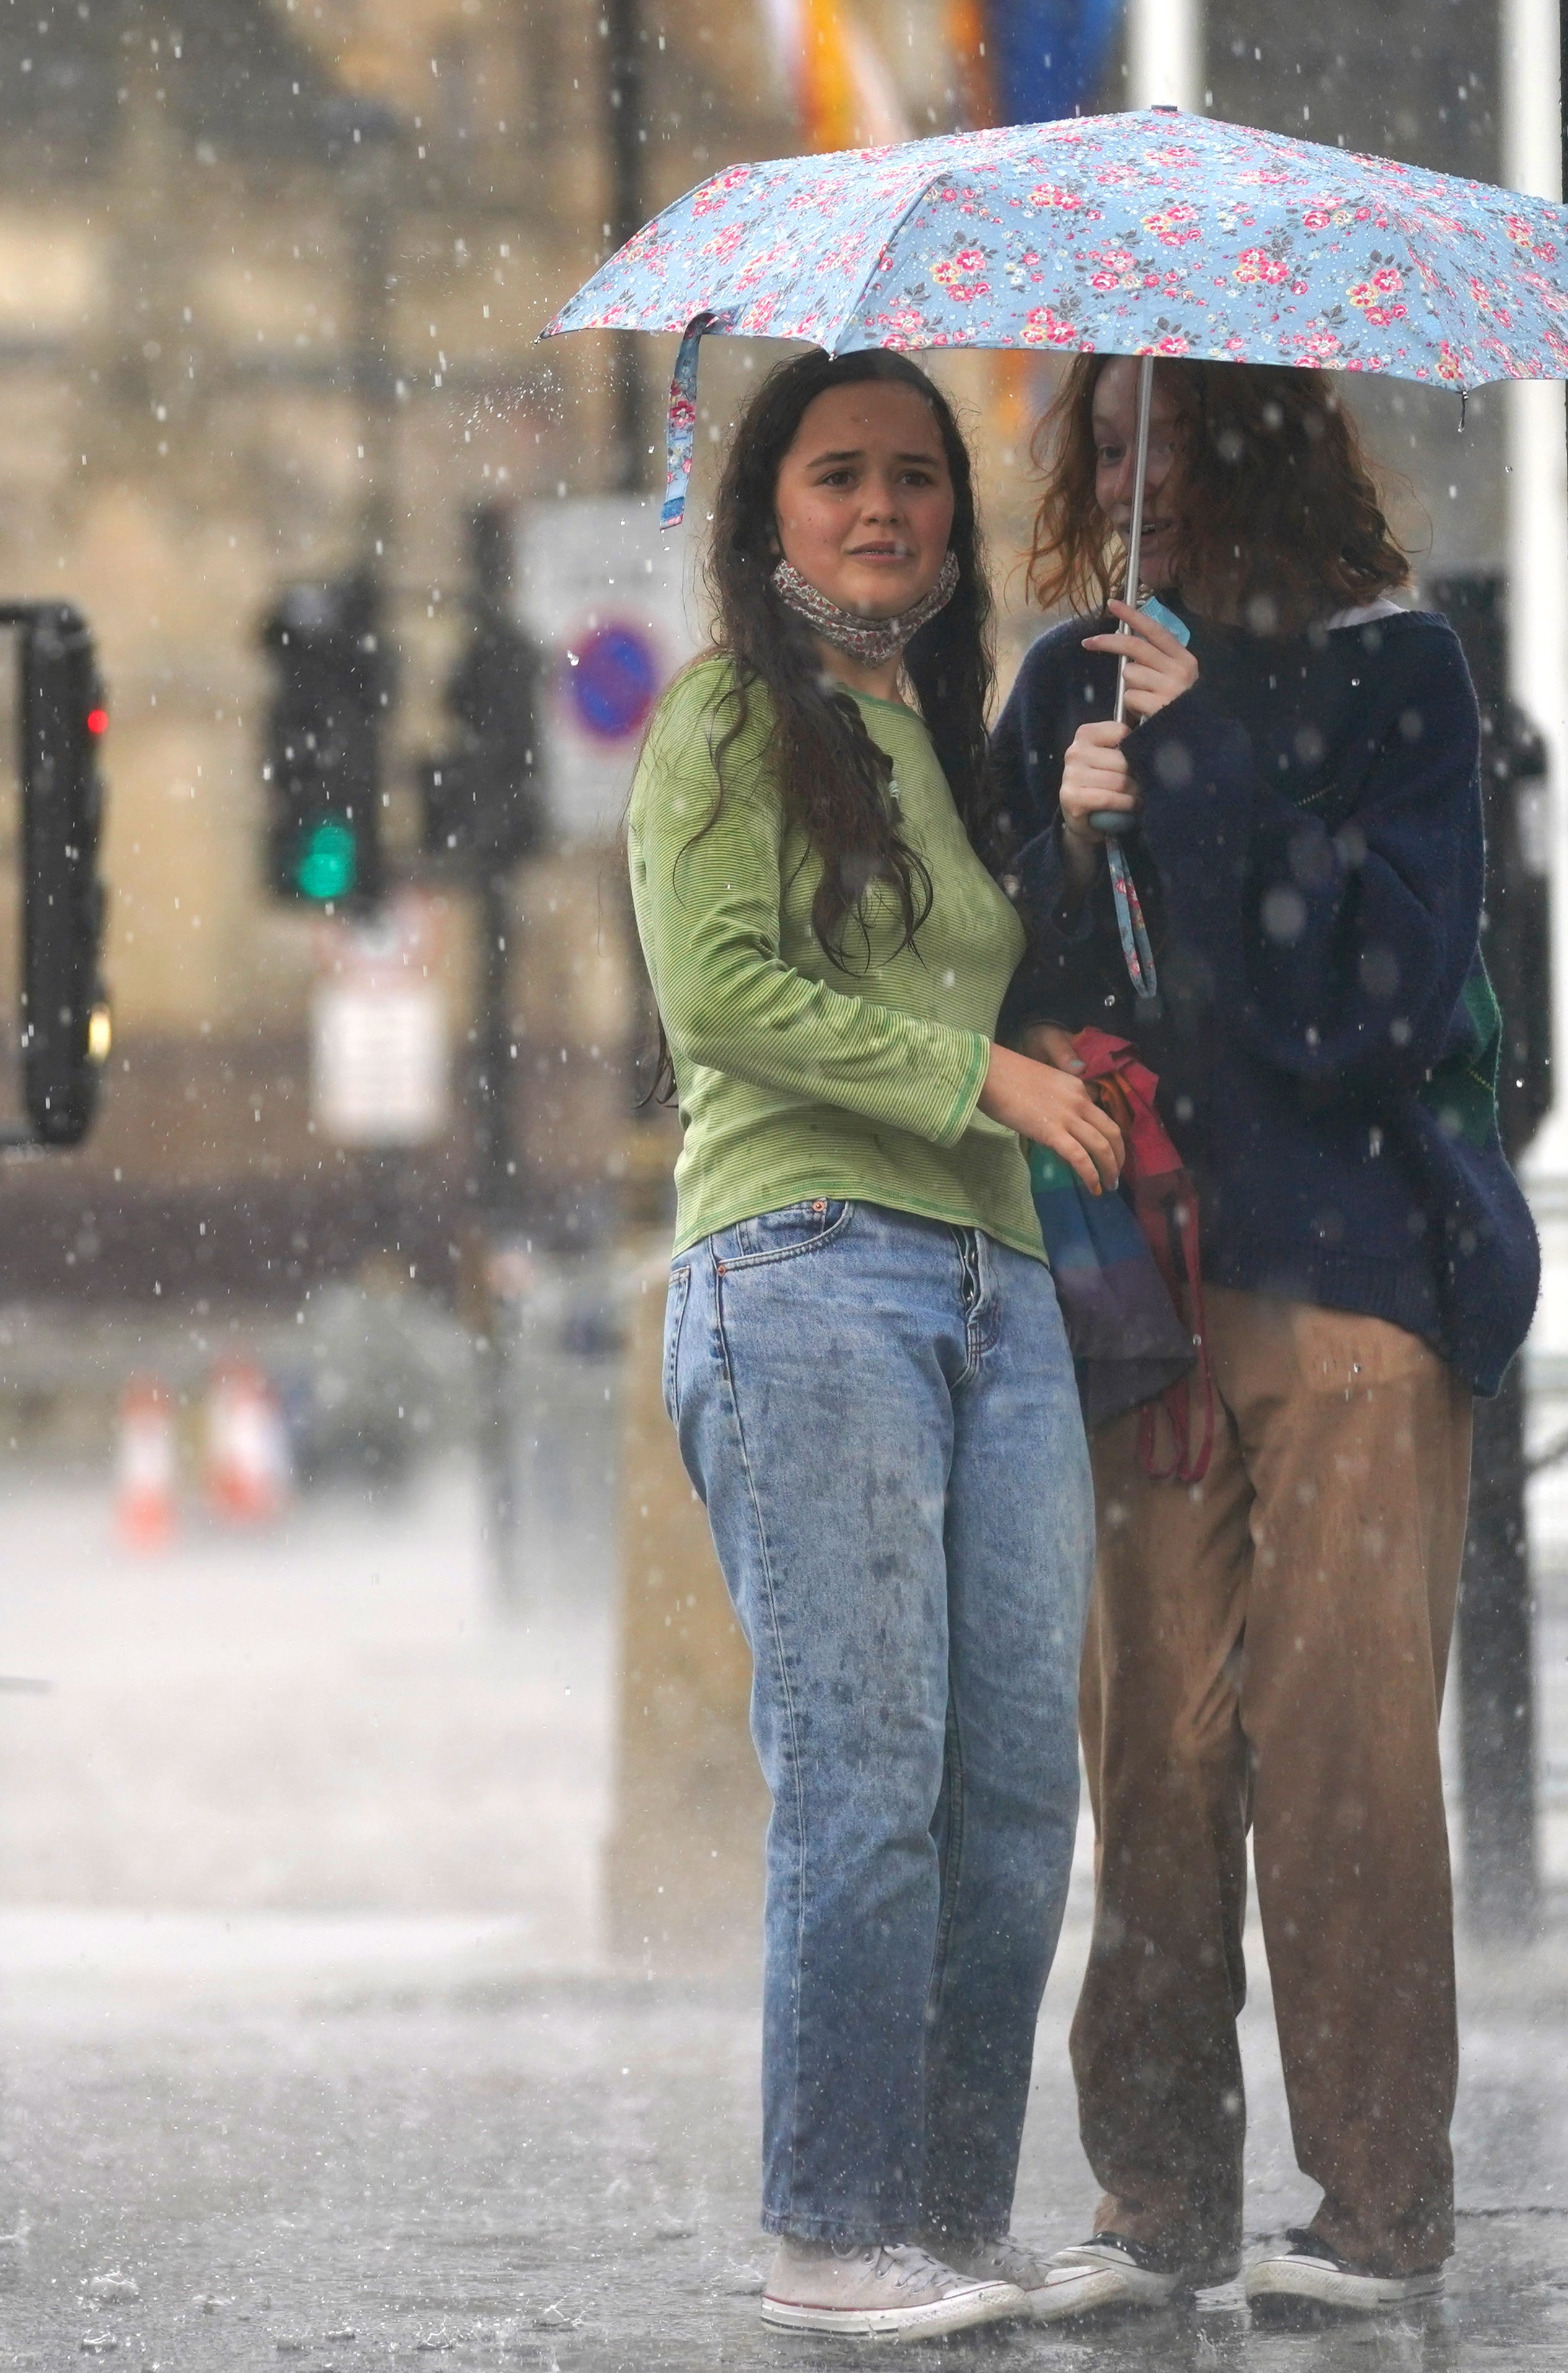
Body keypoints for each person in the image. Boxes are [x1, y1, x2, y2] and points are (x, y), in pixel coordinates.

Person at [996, 354, 1538, 2317]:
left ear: (1273, 435)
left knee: (1341, 1752)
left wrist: (1213, 759)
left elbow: (1384, 997)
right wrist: (1061, 846)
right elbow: (1017, 993)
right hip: (1137, 1297)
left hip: (1350, 1283)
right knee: (1149, 1748)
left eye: (1176, 423)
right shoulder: (1070, 674)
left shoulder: (1395, 676)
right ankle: (1151, 2204)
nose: (1137, 466)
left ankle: (1375, 2214)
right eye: (1108, 434)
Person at [629, 346, 1127, 2340]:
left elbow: (1011, 993)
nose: (884, 508)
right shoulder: (724, 719)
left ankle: (941, 2218)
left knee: (1013, 1789)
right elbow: (721, 994)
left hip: (997, 1291)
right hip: (804, 1262)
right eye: (839, 476)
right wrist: (978, 1079)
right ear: (769, 515)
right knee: (863, 1781)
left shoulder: (929, 729)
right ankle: (829, 2230)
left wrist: (1077, 842)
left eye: (917, 478)